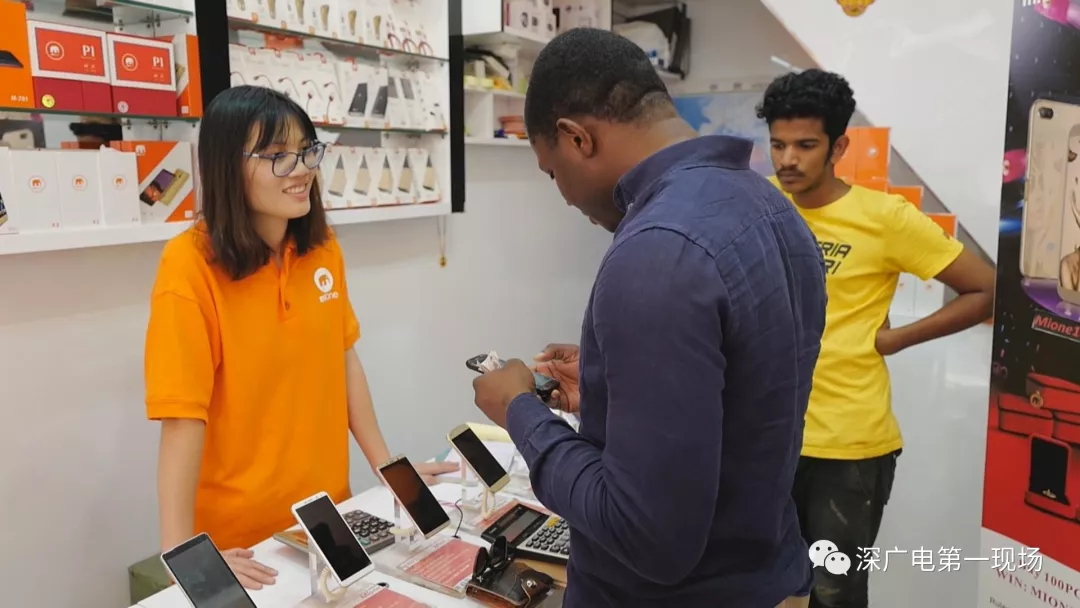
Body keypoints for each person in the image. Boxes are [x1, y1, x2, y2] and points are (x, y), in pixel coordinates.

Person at [470, 29, 826, 608]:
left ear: (577, 137)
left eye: (552, 173)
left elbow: (648, 536)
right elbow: (741, 396)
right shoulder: (771, 209)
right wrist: (613, 388)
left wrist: (521, 412)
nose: (564, 197)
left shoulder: (655, 252)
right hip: (768, 573)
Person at [144, 86, 455, 589]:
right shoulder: (188, 266)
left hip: (327, 520)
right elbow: (182, 418)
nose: (302, 169)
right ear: (226, 165)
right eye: (277, 156)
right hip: (244, 544)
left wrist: (389, 470)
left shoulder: (322, 248)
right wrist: (185, 558)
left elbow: (343, 360)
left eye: (307, 150)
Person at [757, 69, 996, 607]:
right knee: (761, 589)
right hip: (765, 438)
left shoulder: (883, 217)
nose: (787, 159)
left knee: (834, 595)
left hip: (848, 446)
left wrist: (897, 339)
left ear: (839, 146)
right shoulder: (757, 204)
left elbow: (985, 289)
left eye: (805, 145)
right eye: (777, 144)